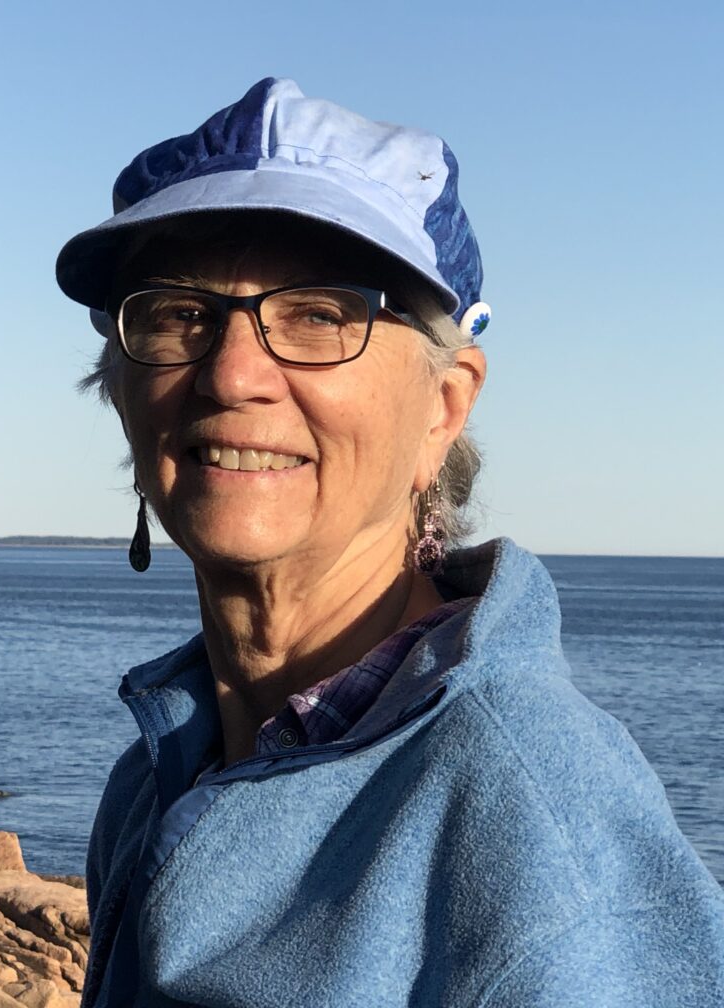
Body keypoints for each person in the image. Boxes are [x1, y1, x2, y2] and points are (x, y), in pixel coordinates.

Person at [56, 79, 724, 1007]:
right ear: (121, 388)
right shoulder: (160, 768)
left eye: (321, 314)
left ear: (443, 408)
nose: (233, 373)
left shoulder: (535, 832)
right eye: (178, 312)